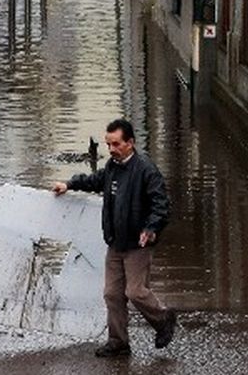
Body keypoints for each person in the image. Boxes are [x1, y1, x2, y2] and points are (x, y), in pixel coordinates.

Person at [52, 118, 176, 358]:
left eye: (116, 144)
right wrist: (69, 184)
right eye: (108, 144)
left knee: (135, 292)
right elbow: (95, 180)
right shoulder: (112, 166)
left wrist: (150, 228)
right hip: (115, 243)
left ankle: (163, 319)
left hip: (138, 244)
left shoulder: (146, 170)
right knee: (112, 294)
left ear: (130, 143)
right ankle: (118, 342)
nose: (111, 149)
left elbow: (161, 205)